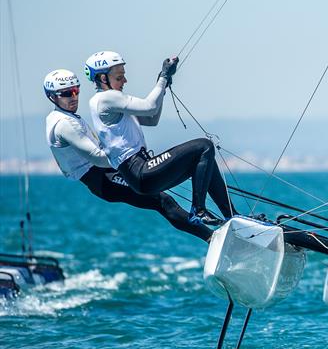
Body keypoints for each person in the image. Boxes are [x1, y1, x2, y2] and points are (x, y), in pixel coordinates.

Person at [43, 69, 212, 242]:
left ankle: (213, 233)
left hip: (107, 174)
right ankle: (211, 237)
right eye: (66, 93)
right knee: (162, 200)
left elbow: (151, 117)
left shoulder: (65, 117)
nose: (73, 96)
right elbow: (98, 158)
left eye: (76, 90)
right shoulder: (63, 124)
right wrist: (134, 165)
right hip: (102, 179)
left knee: (162, 198)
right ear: (52, 97)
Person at [85, 51, 236, 226]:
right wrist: (163, 77)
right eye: (119, 77)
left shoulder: (112, 103)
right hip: (139, 171)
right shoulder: (105, 99)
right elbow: (150, 107)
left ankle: (231, 216)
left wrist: (162, 88)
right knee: (204, 146)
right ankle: (198, 210)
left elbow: (151, 119)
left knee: (203, 158)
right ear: (103, 78)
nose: (125, 81)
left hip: (143, 171)